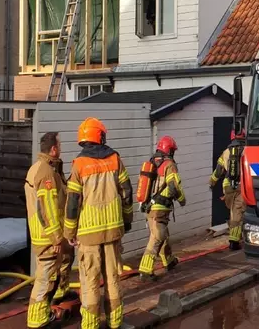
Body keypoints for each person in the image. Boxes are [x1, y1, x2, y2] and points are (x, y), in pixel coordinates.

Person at [64, 118, 133, 329]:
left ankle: (91, 325)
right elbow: (127, 192)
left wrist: (69, 231)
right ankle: (115, 323)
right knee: (112, 279)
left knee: (90, 282)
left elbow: (73, 202)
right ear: (100, 136)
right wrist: (126, 221)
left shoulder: (79, 164)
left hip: (88, 235)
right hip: (113, 231)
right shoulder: (115, 159)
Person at [25, 132, 74, 328]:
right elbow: (47, 209)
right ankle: (37, 320)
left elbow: (57, 198)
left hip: (47, 234)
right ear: (53, 149)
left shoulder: (45, 169)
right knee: (45, 278)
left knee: (54, 270)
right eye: (59, 145)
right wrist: (56, 238)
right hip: (47, 236)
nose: (61, 148)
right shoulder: (45, 172)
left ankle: (56, 298)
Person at [137, 135, 186, 281]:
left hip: (149, 207)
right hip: (160, 207)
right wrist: (182, 200)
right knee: (157, 237)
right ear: (169, 150)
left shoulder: (153, 162)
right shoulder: (169, 164)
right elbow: (174, 186)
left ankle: (169, 261)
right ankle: (145, 270)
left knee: (163, 233)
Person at [210, 131, 246, 250]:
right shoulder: (247, 150)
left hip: (227, 186)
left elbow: (218, 171)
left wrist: (212, 182)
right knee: (237, 213)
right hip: (242, 185)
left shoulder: (225, 152)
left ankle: (235, 236)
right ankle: (234, 242)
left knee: (233, 212)